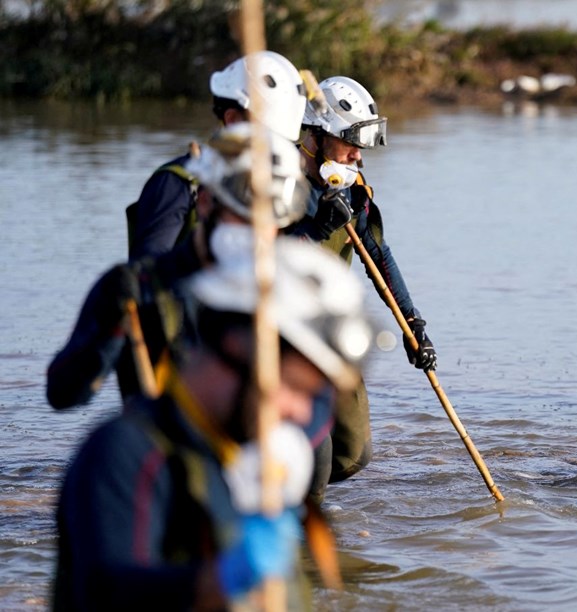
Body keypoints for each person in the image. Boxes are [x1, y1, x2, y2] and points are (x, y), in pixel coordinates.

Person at [52, 236, 372, 611]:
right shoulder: (128, 451)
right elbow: (106, 591)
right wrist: (218, 582)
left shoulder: (252, 463)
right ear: (236, 348)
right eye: (296, 387)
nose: (303, 413)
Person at [47, 122, 309, 411]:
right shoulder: (136, 286)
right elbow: (62, 395)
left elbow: (316, 416)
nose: (259, 233)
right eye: (244, 216)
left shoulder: (289, 293)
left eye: (271, 223)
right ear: (206, 203)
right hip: (157, 450)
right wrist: (107, 328)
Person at [285, 75, 437, 484]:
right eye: (350, 143)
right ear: (316, 136)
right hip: (281, 336)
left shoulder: (352, 192)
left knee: (353, 455)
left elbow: (378, 256)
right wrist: (314, 230)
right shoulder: (278, 183)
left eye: (361, 146)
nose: (357, 155)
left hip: (333, 334)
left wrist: (413, 325)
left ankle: (294, 496)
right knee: (312, 466)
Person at [126, 50, 307, 261]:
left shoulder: (277, 186)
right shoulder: (179, 184)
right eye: (269, 137)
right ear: (232, 120)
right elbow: (146, 274)